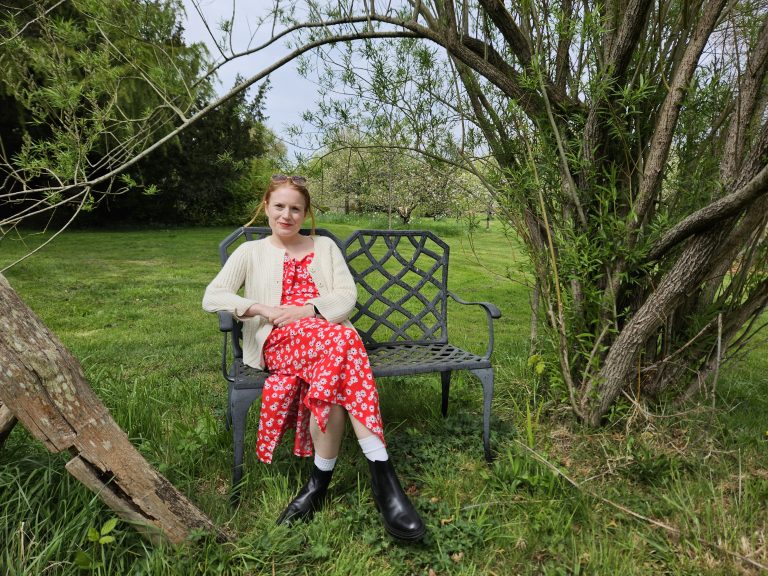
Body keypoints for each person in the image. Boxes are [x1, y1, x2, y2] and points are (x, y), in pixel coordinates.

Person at [202, 174, 425, 542]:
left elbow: (346, 296)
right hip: (279, 341)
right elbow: (213, 296)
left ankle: (317, 485)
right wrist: (260, 308)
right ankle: (383, 476)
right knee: (345, 343)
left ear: (306, 213)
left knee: (334, 364)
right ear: (266, 207)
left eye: (296, 208)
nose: (286, 215)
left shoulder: (324, 246)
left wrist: (308, 310)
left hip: (328, 340)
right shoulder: (250, 252)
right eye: (279, 206)